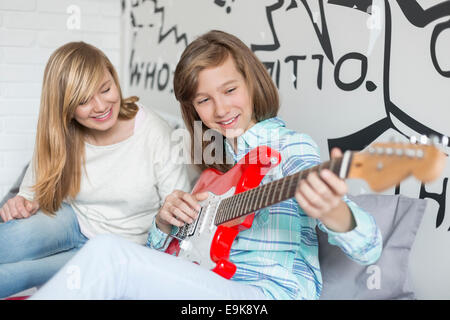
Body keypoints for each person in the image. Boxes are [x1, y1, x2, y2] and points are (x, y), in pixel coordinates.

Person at [31, 30, 382, 300]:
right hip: (208, 287)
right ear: (194, 109)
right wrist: (164, 222)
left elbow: (370, 248)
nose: (221, 109)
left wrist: (334, 210)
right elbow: (167, 252)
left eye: (230, 90)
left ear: (252, 84)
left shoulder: (289, 148)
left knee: (107, 254)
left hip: (264, 293)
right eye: (204, 100)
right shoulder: (214, 169)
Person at [0, 42, 191, 298]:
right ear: (65, 106)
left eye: (106, 89)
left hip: (121, 247)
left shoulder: (154, 133)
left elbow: (180, 213)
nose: (101, 106)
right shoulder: (61, 130)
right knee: (11, 241)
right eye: (83, 101)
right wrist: (21, 203)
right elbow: (31, 192)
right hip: (73, 220)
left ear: (113, 77)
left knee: (20, 275)